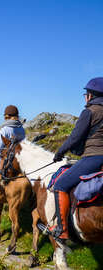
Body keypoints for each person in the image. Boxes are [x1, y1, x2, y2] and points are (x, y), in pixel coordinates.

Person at [50, 77, 103, 241]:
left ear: (90, 95)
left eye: (85, 94)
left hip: (94, 157)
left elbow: (75, 137)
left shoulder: (90, 111)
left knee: (60, 185)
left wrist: (59, 152)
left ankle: (62, 228)